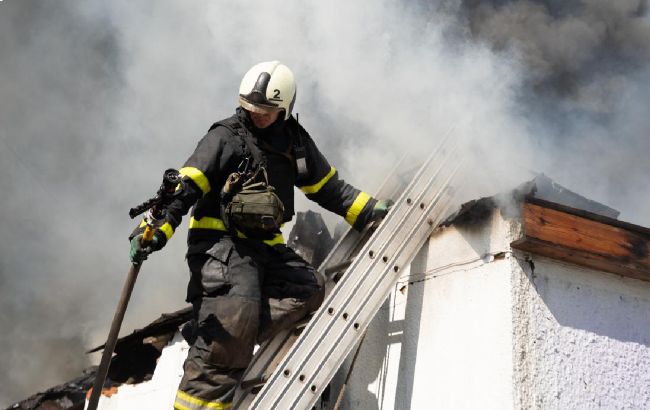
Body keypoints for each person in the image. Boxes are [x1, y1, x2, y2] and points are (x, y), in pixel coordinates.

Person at [129, 61, 392, 409]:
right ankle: (219, 342)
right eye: (250, 107)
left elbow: (328, 188)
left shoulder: (294, 143)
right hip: (222, 247)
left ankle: (215, 333)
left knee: (308, 288)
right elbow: (186, 184)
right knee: (231, 333)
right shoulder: (225, 137)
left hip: (266, 248)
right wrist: (156, 228)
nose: (256, 115)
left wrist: (369, 210)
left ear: (284, 109)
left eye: (265, 111)